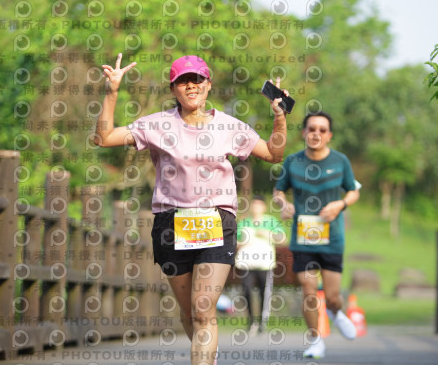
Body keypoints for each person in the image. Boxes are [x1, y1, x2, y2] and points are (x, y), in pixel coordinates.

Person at [94, 53, 288, 365]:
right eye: (183, 81)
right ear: (173, 89)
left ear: (208, 85)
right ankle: (208, 354)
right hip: (171, 224)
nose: (191, 86)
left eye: (197, 79)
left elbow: (273, 154)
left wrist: (279, 118)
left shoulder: (228, 126)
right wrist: (112, 91)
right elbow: (103, 138)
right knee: (190, 313)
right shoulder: (158, 124)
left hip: (216, 222)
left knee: (202, 307)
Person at [272, 110, 360, 359]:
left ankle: (336, 312)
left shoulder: (340, 161)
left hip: (332, 238)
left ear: (329, 135)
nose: (316, 134)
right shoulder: (293, 162)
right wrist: (283, 204)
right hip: (303, 238)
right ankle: (315, 340)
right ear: (304, 133)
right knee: (308, 288)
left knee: (332, 297)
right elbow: (278, 192)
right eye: (311, 129)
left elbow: (353, 191)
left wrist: (340, 204)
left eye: (322, 130)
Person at [235, 195, 286, 335]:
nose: (256, 207)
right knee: (246, 290)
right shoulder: (244, 222)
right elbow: (236, 241)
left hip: (265, 263)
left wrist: (266, 233)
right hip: (246, 262)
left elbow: (282, 238)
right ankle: (252, 321)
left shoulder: (271, 221)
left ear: (264, 207)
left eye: (259, 205)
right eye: (254, 204)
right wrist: (242, 242)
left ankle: (263, 322)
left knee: (264, 292)